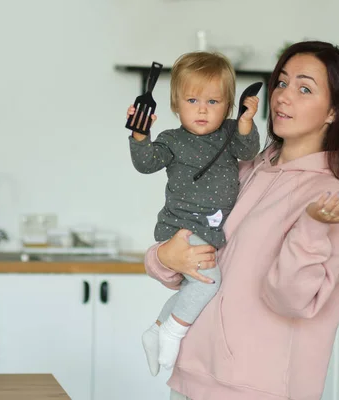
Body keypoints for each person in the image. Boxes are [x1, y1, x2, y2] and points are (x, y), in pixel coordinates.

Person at [144, 40, 339, 400]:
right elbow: (194, 256)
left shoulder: (330, 195)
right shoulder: (247, 167)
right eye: (281, 83)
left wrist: (313, 227)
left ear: (334, 112)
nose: (283, 97)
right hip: (192, 376)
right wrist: (162, 258)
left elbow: (292, 300)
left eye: (304, 88)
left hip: (254, 389)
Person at [127, 51, 261, 374]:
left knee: (194, 288)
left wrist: (245, 123)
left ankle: (156, 329)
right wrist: (139, 135)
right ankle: (172, 333)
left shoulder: (229, 134)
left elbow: (249, 150)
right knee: (206, 283)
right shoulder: (172, 140)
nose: (202, 109)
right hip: (180, 229)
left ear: (228, 105)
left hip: (210, 231)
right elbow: (145, 163)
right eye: (192, 100)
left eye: (213, 102)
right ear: (175, 104)